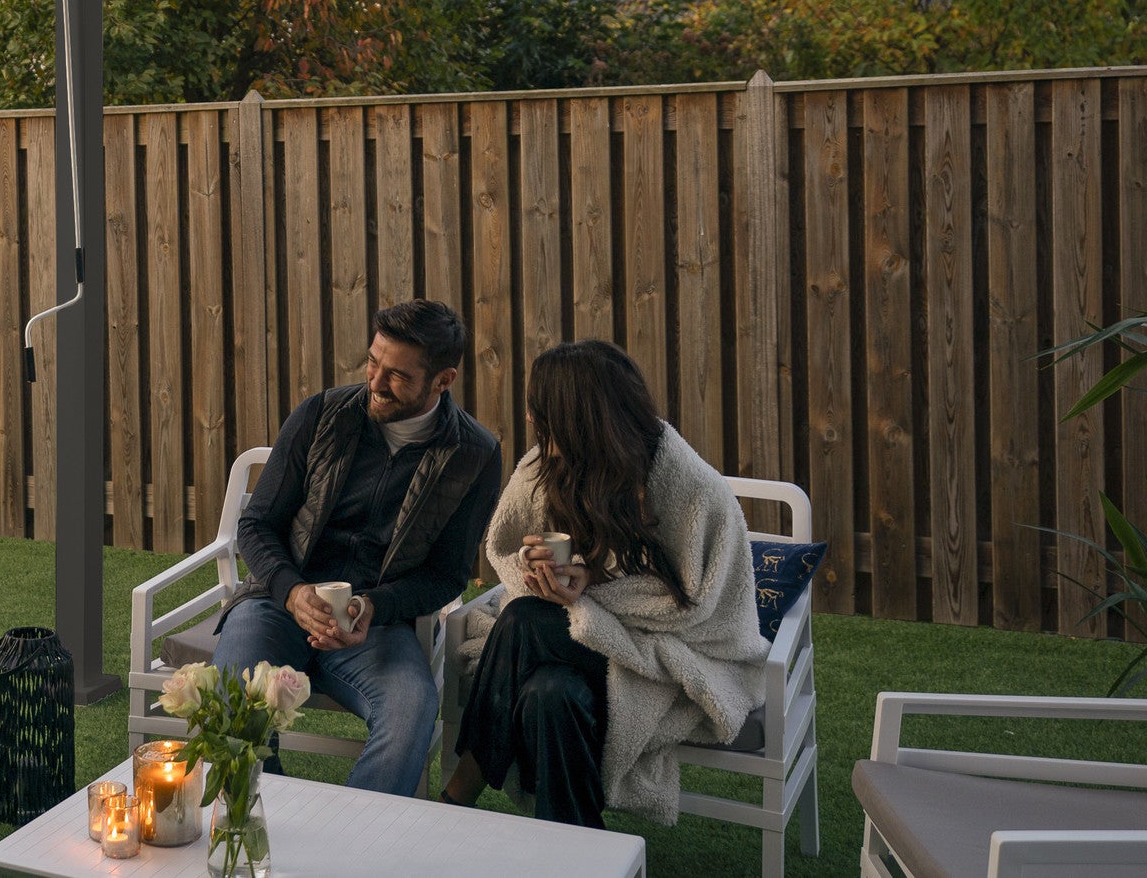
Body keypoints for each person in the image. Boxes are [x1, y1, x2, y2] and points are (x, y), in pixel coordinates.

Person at [441, 340, 767, 828]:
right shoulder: (546, 467)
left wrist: (592, 588)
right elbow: (506, 548)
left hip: (665, 656)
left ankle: (462, 786)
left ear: (580, 418)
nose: (530, 419)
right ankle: (584, 845)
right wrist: (541, 569)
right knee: (551, 693)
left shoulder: (692, 490)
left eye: (541, 410)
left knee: (524, 620)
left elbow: (695, 606)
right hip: (576, 645)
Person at [211, 299, 504, 797]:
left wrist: (373, 607)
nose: (375, 382)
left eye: (397, 375)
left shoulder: (474, 455)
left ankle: (358, 838)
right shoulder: (321, 414)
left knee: (412, 711)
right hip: (277, 605)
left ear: (443, 380)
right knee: (231, 699)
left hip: (378, 626)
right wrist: (291, 592)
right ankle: (262, 819)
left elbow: (447, 575)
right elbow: (257, 525)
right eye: (372, 362)